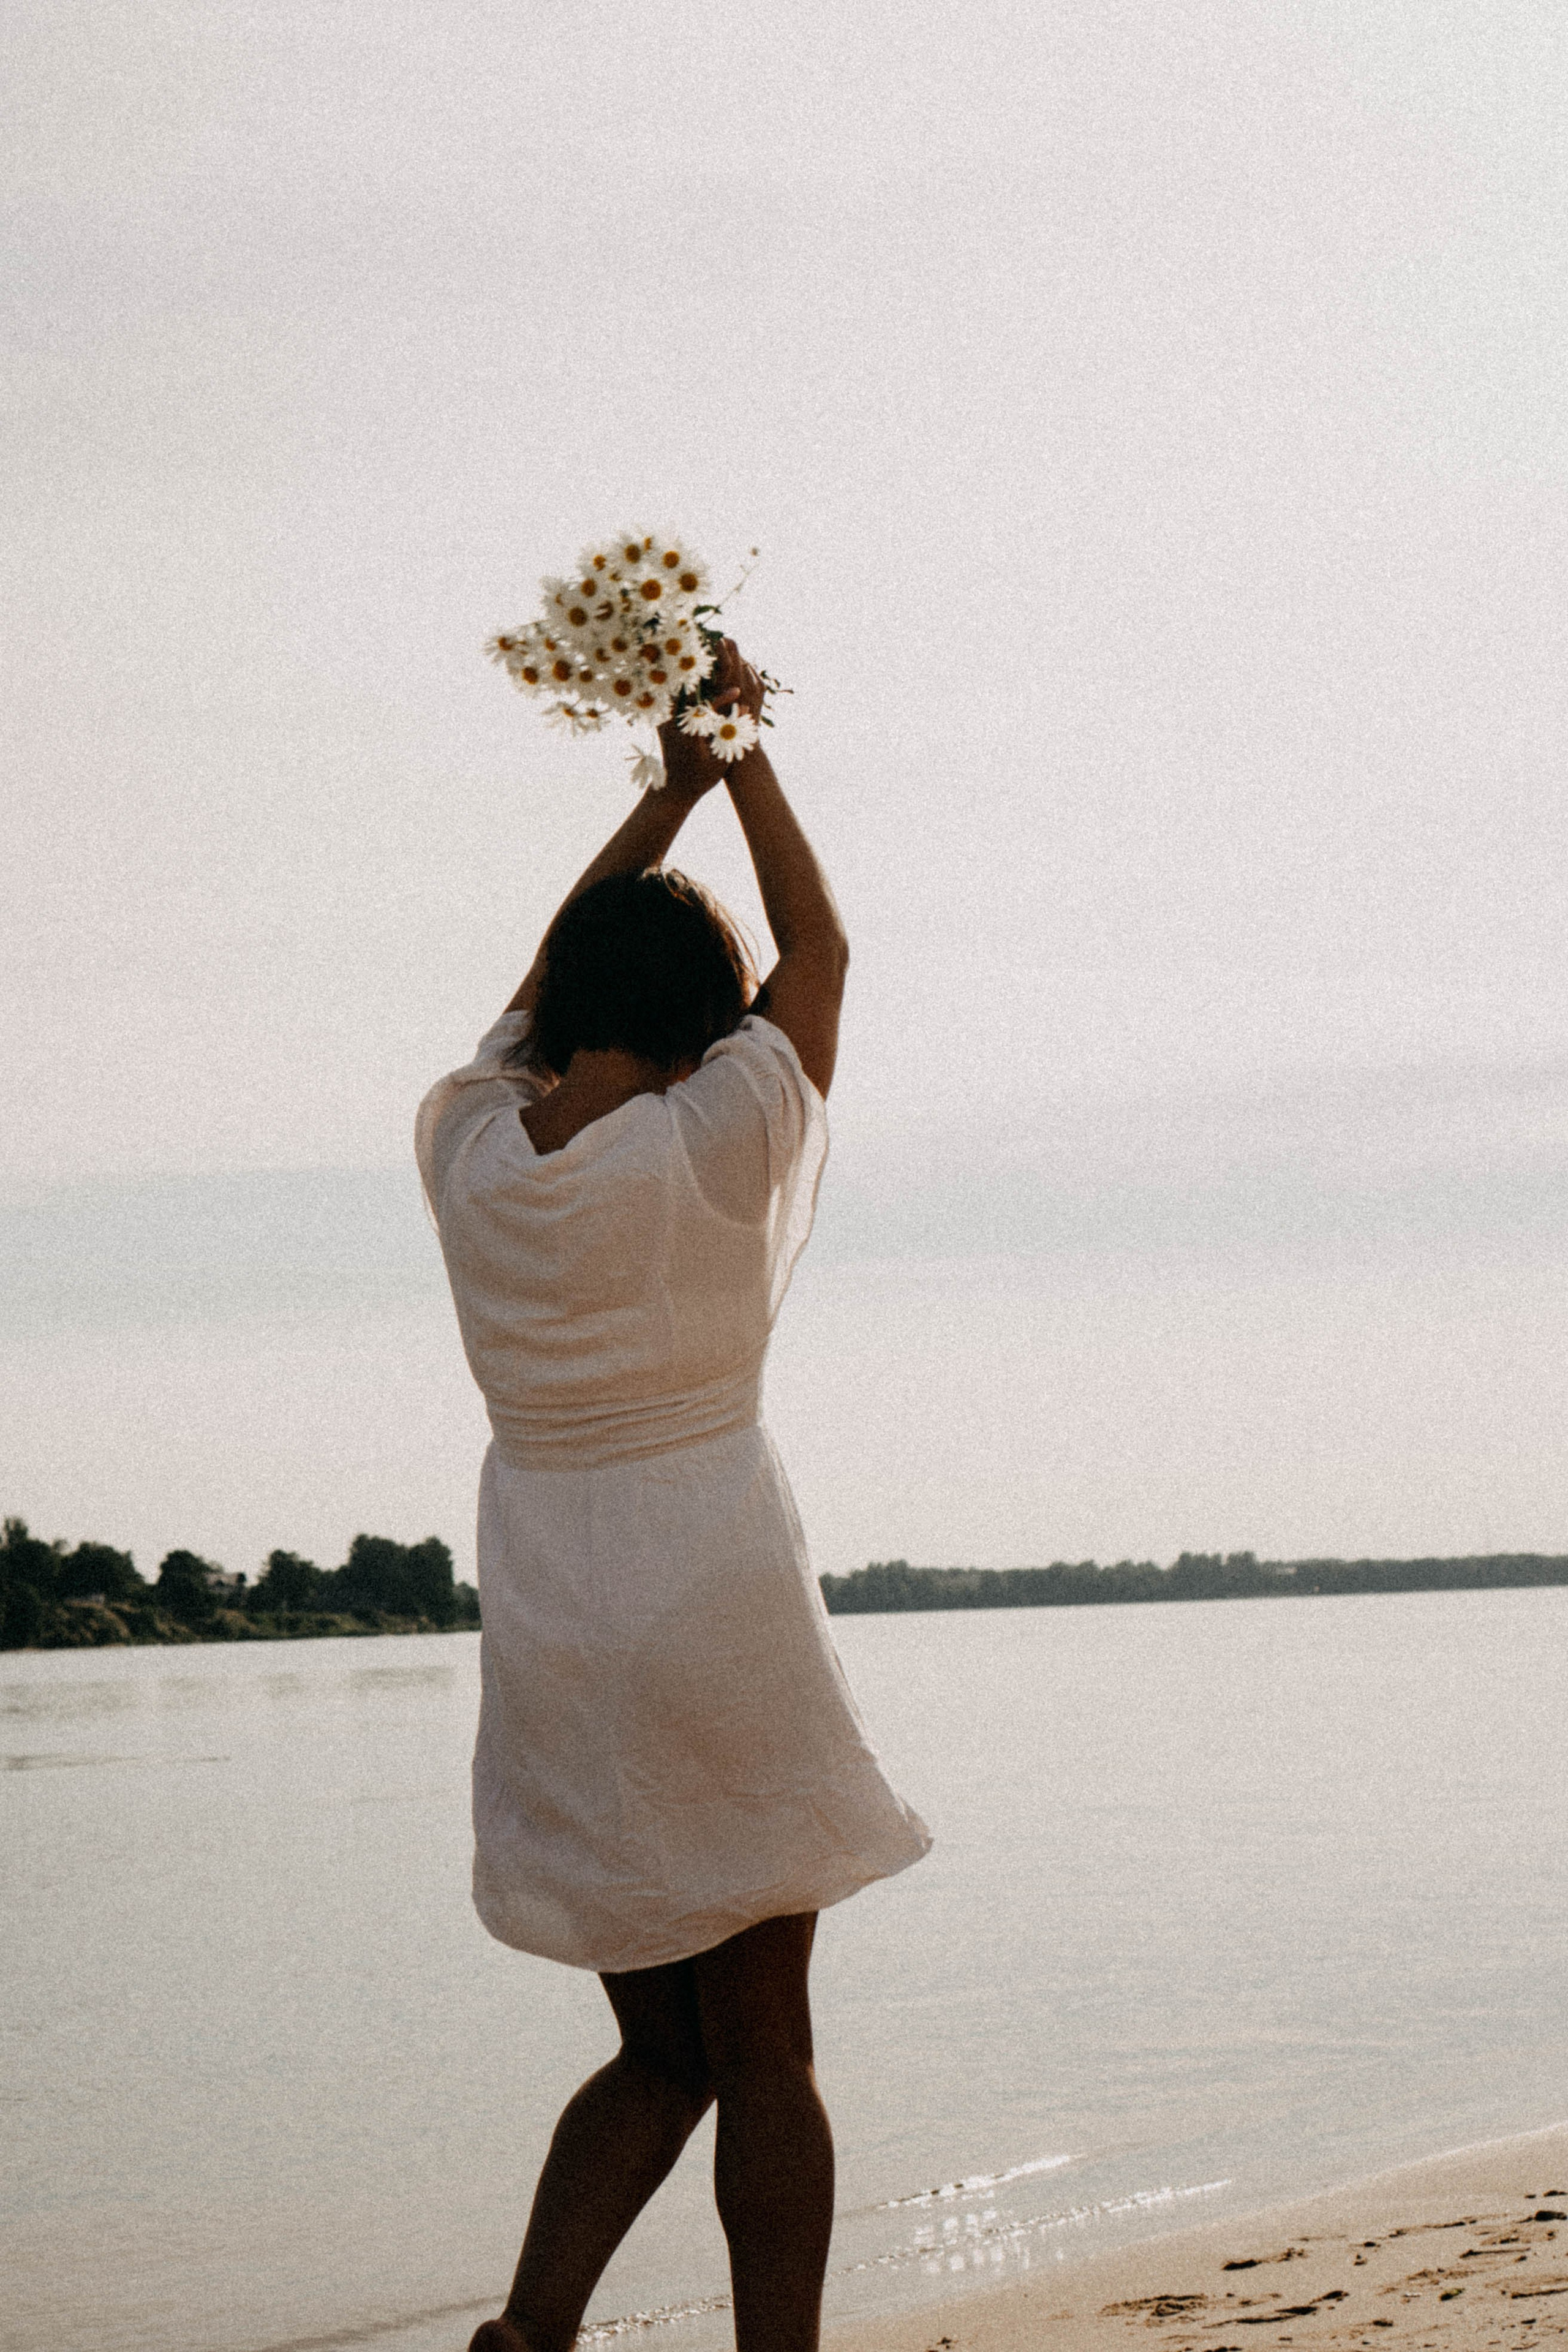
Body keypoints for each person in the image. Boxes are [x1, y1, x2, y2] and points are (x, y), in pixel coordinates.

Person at [415, 641, 931, 2352]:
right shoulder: (720, 1137)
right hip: (709, 1588)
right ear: (706, 1017)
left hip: (553, 1610)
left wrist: (670, 793)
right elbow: (825, 955)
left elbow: (546, 975)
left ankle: (526, 2340)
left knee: (660, 2046)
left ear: (563, 1004)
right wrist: (746, 748)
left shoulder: (471, 1145)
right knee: (764, 2046)